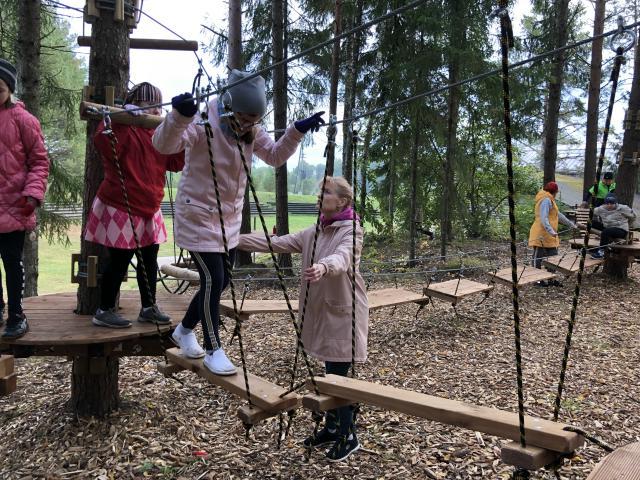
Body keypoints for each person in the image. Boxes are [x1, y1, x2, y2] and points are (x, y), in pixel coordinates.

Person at [152, 69, 325, 376]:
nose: (247, 125)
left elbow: (274, 156)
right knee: (212, 280)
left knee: (221, 282)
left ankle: (184, 330)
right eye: (243, 118)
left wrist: (296, 131)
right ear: (229, 106)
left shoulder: (251, 130)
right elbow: (164, 145)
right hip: (197, 218)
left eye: (253, 120)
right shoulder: (202, 122)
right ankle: (214, 349)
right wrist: (178, 117)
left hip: (229, 223)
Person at [238, 176, 367, 462]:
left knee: (337, 379)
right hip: (323, 312)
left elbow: (343, 257)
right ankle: (332, 429)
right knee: (330, 375)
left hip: (344, 314)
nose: (320, 196)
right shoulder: (314, 231)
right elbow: (277, 242)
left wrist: (323, 266)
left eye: (326, 192)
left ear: (342, 201)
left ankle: (349, 436)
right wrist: (235, 239)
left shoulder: (352, 231)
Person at [85, 82, 185, 328]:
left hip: (150, 205)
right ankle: (104, 309)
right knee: (119, 260)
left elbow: (176, 162)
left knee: (149, 260)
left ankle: (149, 307)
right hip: (121, 204)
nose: (154, 111)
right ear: (134, 105)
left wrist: (183, 133)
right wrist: (122, 119)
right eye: (147, 105)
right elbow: (106, 145)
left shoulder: (159, 134)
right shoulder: (122, 125)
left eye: (157, 106)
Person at [0, 58, 50, 338]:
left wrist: (32, 194)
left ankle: (17, 315)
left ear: (10, 89)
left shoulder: (24, 120)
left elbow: (39, 161)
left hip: (14, 205)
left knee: (11, 262)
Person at [528, 181, 578, 286]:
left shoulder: (550, 200)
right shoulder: (545, 200)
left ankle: (551, 279)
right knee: (538, 257)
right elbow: (544, 217)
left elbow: (558, 215)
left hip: (550, 235)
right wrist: (551, 231)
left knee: (553, 256)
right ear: (555, 192)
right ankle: (537, 280)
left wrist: (571, 225)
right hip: (541, 233)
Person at [590, 195, 636, 259]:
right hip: (607, 227)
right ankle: (587, 247)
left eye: (611, 204)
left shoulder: (623, 208)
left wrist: (628, 225)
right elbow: (592, 212)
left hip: (620, 229)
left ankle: (602, 252)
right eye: (607, 204)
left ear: (615, 203)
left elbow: (633, 217)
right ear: (605, 204)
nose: (609, 205)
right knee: (590, 223)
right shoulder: (601, 209)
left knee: (606, 232)